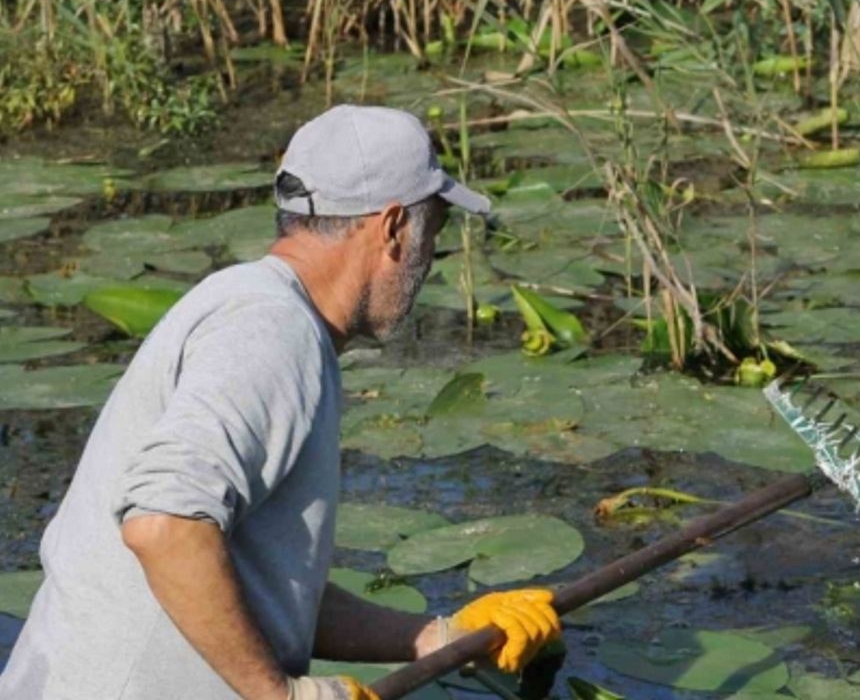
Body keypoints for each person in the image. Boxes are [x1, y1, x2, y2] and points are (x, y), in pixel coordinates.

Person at [0, 105, 561, 700]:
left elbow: (264, 591)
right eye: (435, 231)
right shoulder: (271, 330)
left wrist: (439, 637)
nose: (431, 259)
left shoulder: (263, 310)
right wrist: (281, 696)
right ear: (393, 227)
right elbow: (163, 526)